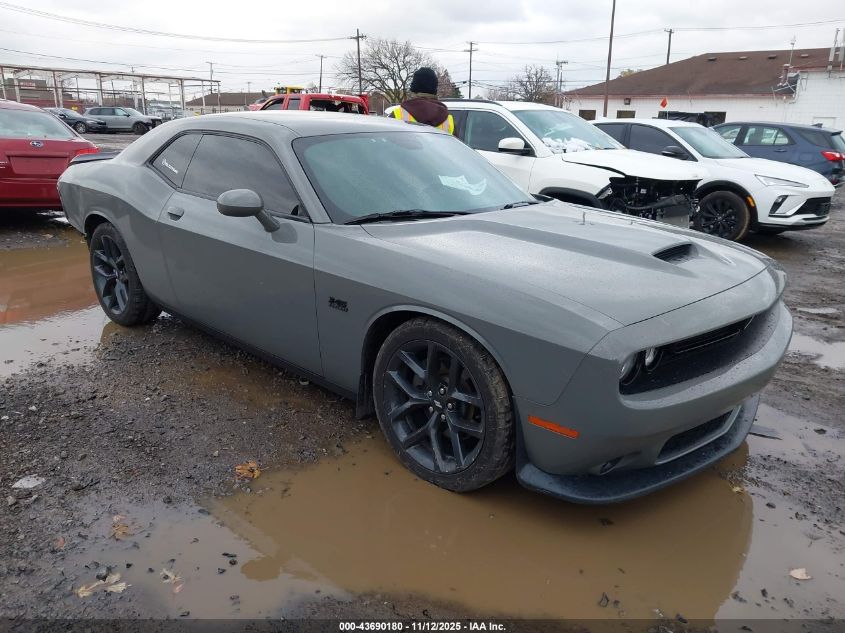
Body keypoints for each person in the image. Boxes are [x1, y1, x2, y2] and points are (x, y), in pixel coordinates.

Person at [392, 67, 454, 134]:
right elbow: (456, 144)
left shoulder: (398, 114)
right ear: (435, 88)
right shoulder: (448, 120)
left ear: (414, 88)